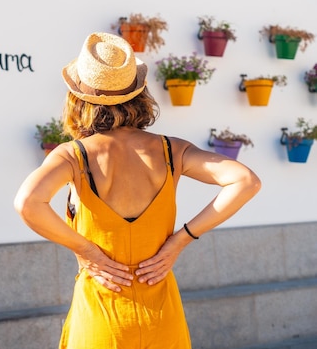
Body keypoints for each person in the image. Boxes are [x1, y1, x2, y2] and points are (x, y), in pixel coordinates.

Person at [13, 32, 261, 349]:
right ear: (140, 94)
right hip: (161, 316)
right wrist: (181, 240)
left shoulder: (74, 156)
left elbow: (28, 204)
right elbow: (245, 181)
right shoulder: (172, 151)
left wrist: (87, 251)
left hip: (102, 315)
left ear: (78, 98)